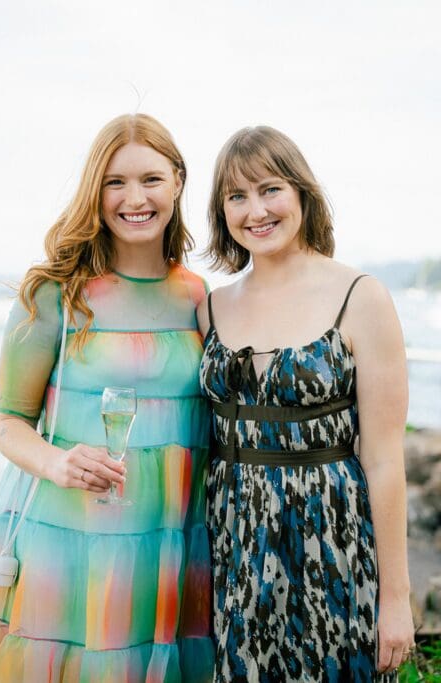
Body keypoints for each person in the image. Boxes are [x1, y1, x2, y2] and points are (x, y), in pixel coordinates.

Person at [0, 114, 213, 682]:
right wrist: (58, 462)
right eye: (115, 182)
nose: (134, 198)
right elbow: (10, 422)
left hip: (171, 535)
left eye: (151, 180)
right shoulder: (52, 292)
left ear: (178, 182)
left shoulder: (197, 295)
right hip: (69, 535)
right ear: (95, 190)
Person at [198, 126, 414, 680]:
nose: (256, 210)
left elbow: (387, 461)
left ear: (301, 193)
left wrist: (395, 600)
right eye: (236, 196)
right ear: (221, 211)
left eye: (270, 188)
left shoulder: (359, 297)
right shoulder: (210, 309)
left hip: (333, 546)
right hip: (235, 551)